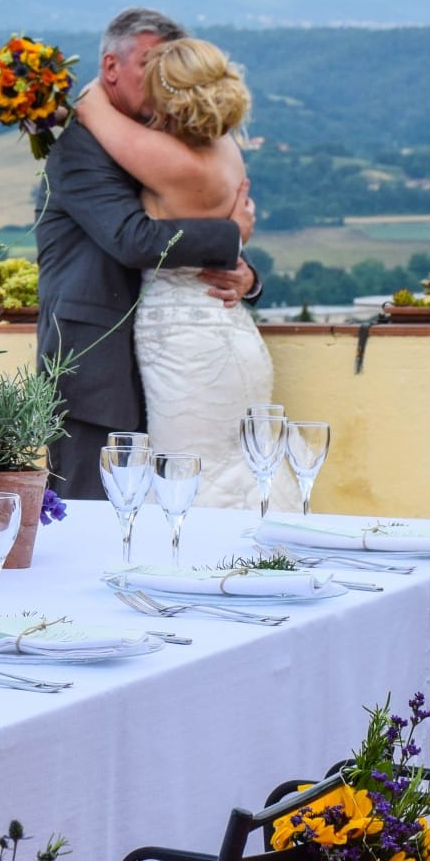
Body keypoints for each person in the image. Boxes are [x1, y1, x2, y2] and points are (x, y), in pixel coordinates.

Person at [35, 8, 258, 500]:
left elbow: (186, 214)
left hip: (169, 361)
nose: (158, 80)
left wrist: (244, 273)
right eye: (148, 65)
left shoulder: (159, 142)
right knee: (93, 518)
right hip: (94, 372)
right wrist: (229, 237)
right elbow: (134, 239)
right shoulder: (80, 147)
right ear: (111, 68)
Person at [73, 36, 301, 510]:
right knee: (235, 466)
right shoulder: (226, 148)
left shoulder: (170, 160)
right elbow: (220, 234)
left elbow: (91, 108)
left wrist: (102, 75)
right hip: (227, 326)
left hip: (188, 344)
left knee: (192, 471)